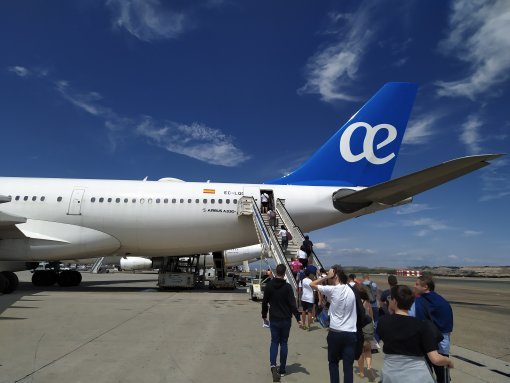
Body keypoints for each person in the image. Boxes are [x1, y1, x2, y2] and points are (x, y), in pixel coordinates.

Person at [378, 285, 454, 383]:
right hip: (417, 376)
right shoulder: (422, 326)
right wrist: (448, 361)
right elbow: (435, 359)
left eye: (390, 298)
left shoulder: (383, 321)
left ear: (395, 301)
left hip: (391, 375)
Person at [311, 265, 357, 383]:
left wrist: (326, 276)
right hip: (350, 333)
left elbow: (312, 284)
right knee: (348, 367)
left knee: (333, 363)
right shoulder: (351, 290)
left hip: (335, 333)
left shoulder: (332, 289)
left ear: (334, 275)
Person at [262, 264, 303, 382]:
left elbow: (264, 303)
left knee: (274, 341)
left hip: (274, 318)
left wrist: (264, 316)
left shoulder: (269, 286)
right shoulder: (288, 287)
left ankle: (273, 365)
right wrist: (298, 318)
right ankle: (283, 369)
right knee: (284, 343)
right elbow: (292, 305)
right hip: (285, 319)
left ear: (276, 272)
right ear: (284, 273)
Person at [410, 275, 453, 383]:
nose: (414, 286)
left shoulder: (418, 302)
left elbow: (415, 323)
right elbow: (448, 327)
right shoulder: (442, 302)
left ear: (425, 287)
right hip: (441, 345)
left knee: (426, 375)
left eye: (417, 284)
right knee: (443, 377)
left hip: (425, 345)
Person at [355, 284, 374, 379]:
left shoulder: (356, 302)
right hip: (369, 328)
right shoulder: (367, 302)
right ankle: (369, 368)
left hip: (360, 329)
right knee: (368, 350)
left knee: (360, 352)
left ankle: (362, 372)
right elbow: (371, 316)